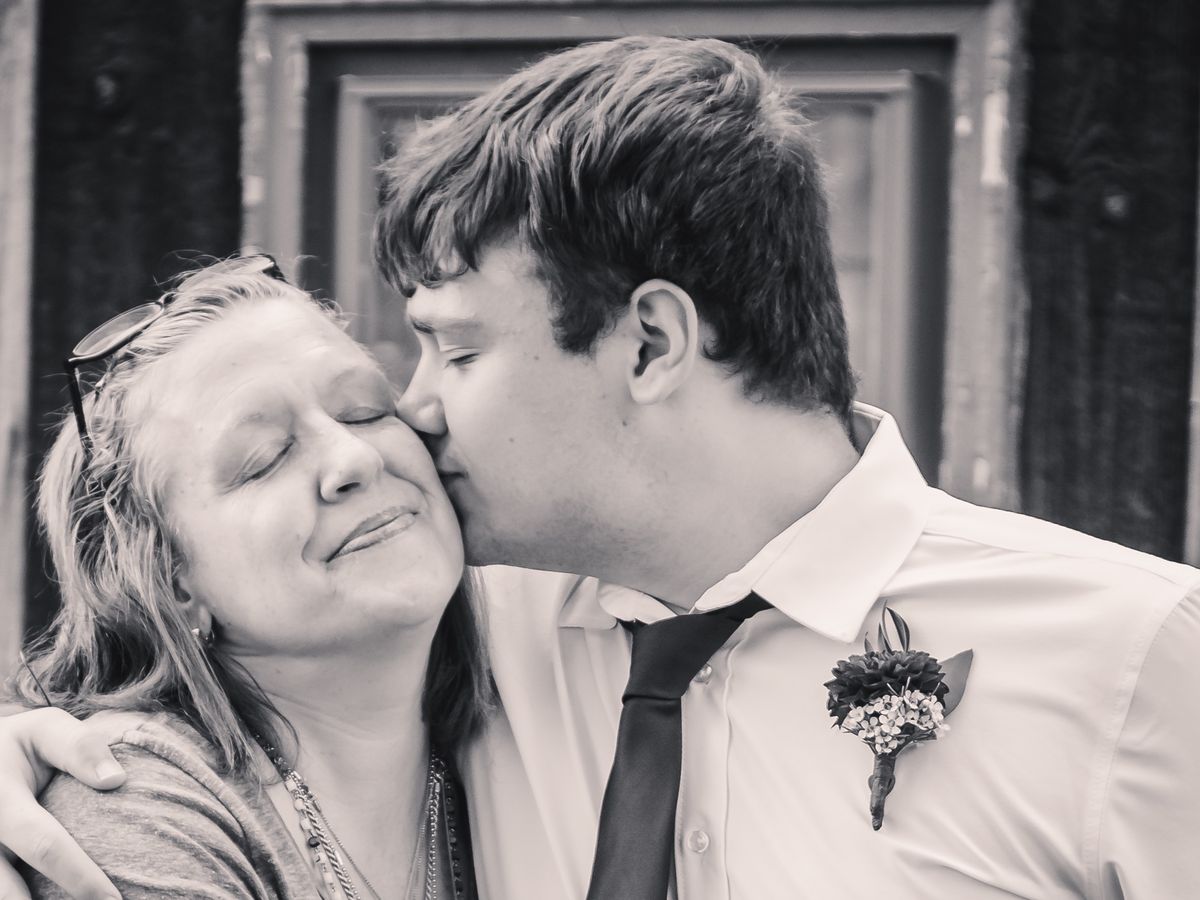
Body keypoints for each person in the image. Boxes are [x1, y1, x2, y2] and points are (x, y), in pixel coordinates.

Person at [4, 35, 1200, 900]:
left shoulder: (1131, 661)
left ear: (651, 343)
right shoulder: (454, 612)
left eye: (454, 350)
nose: (408, 419)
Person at [3, 256, 489, 899]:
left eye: (365, 411)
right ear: (171, 583)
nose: (354, 458)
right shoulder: (139, 811)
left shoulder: (545, 683)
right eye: (264, 460)